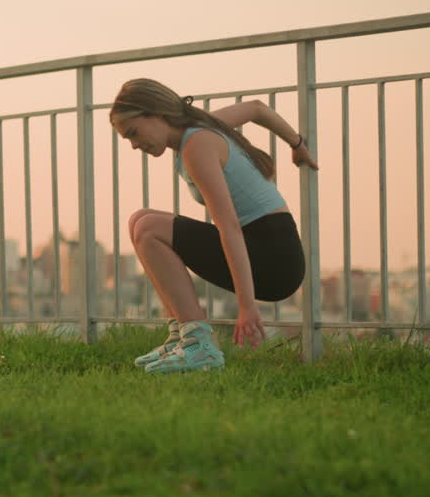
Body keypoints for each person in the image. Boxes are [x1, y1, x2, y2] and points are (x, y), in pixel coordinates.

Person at [110, 78, 318, 374]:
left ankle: (200, 346)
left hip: (273, 258)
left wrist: (247, 306)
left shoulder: (197, 146)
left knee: (149, 228)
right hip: (269, 248)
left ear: (156, 113)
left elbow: (229, 226)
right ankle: (182, 338)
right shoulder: (200, 127)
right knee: (140, 220)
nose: (134, 145)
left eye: (133, 133)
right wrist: (296, 144)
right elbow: (257, 109)